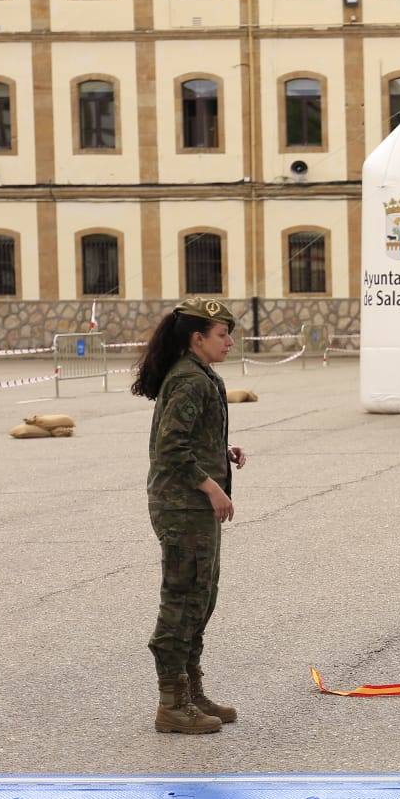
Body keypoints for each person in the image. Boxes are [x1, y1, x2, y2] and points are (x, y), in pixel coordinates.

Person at [132, 297, 247, 735]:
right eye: (222, 335)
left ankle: (191, 689)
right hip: (182, 505)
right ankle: (171, 702)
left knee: (201, 595)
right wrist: (211, 484)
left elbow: (189, 437)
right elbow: (170, 447)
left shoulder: (200, 375)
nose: (230, 342)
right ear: (197, 338)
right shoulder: (188, 380)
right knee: (182, 598)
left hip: (191, 504)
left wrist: (223, 452)